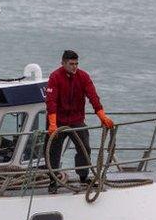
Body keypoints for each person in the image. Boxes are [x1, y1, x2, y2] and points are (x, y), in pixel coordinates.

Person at [44, 50, 114, 194]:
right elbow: (51, 101)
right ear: (63, 63)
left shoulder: (83, 77)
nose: (74, 67)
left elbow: (93, 96)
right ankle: (53, 180)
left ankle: (83, 176)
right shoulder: (55, 77)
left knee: (85, 148)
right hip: (57, 122)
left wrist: (102, 115)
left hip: (76, 120)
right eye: (71, 64)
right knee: (53, 151)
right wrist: (52, 123)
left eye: (76, 64)